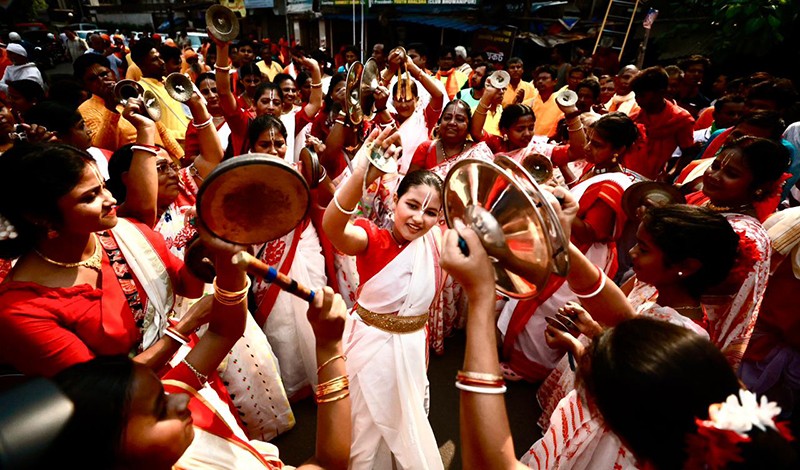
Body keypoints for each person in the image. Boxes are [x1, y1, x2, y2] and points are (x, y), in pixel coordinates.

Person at [440, 192, 796, 470]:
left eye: (642, 248)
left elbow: (489, 464)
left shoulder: (677, 341)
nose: (632, 253)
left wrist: (482, 300)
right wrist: (560, 242)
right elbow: (621, 316)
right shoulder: (679, 342)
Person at [48, 269, 351, 469]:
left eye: (162, 393)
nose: (181, 399)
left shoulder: (169, 394)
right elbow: (327, 464)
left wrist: (228, 264)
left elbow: (222, 332)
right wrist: (328, 347)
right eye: (159, 408)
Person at [0, 143, 204, 378]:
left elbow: (189, 287)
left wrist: (203, 250)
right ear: (40, 217)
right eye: (90, 196)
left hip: (190, 372)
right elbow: (99, 386)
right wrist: (184, 328)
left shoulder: (126, 233)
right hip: (135, 408)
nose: (110, 199)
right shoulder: (21, 310)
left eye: (103, 187)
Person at [322, 127, 445, 469]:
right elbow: (334, 228)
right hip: (369, 347)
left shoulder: (436, 245)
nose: (419, 218)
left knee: (403, 418)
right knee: (363, 428)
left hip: (410, 349)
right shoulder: (371, 238)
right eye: (412, 205)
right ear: (394, 201)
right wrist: (363, 173)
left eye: (431, 212)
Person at [499, 113, 640, 381]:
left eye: (597, 145)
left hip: (581, 255)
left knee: (548, 307)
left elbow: (592, 231)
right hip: (563, 243)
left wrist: (556, 204)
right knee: (531, 299)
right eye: (590, 141)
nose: (588, 148)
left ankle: (529, 367)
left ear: (618, 151)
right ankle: (514, 352)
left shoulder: (614, 185)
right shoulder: (598, 169)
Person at [687, 136, 789, 368]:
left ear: (759, 187)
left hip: (691, 333)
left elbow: (706, 294)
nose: (713, 175)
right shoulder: (709, 204)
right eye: (715, 165)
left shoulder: (741, 235)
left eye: (731, 174)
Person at [74, 53, 184, 161]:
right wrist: (111, 107)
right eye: (93, 79)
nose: (101, 80)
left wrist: (181, 157)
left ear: (113, 73)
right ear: (85, 85)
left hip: (165, 161)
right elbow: (103, 148)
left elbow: (161, 130)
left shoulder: (130, 93)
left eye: (104, 74)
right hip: (137, 167)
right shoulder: (86, 109)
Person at [627, 66, 696, 181]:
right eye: (636, 95)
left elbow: (688, 152)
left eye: (642, 95)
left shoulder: (681, 119)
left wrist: (671, 174)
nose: (638, 100)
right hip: (625, 174)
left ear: (661, 92)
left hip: (652, 180)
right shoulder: (634, 118)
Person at [130, 38, 191, 143]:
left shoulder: (169, 82)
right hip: (174, 148)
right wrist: (185, 134)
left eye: (160, 58)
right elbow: (154, 129)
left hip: (191, 140)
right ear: (141, 65)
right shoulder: (141, 90)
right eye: (154, 60)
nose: (162, 62)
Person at [523, 65, 562, 137]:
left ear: (554, 81)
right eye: (538, 79)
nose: (540, 81)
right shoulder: (527, 104)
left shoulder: (562, 105)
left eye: (544, 79)